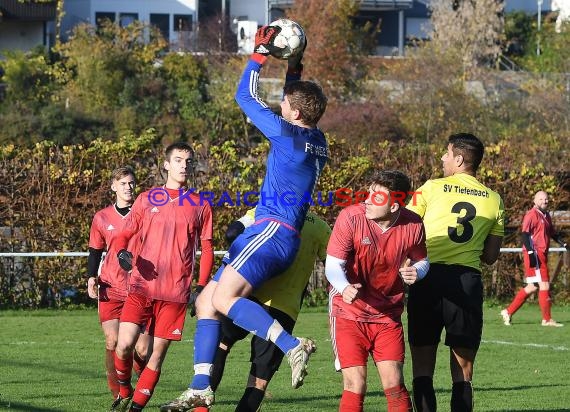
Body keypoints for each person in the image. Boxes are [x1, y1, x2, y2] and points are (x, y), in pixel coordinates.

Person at [160, 25, 328, 411]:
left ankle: (291, 344)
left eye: (285, 104)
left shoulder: (287, 135)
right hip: (281, 233)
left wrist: (259, 53)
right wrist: (294, 63)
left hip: (271, 230)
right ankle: (201, 386)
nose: (279, 106)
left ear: (296, 113)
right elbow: (296, 98)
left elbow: (244, 96)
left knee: (222, 296)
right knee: (206, 304)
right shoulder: (316, 139)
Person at [186, 208, 331, 412]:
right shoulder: (321, 228)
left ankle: (200, 408)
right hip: (284, 308)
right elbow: (333, 267)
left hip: (246, 297)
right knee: (258, 382)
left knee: (220, 346)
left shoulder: (265, 211)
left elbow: (232, 233)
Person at [108, 142, 214, 412]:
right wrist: (121, 251)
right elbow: (123, 233)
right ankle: (124, 389)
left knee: (152, 356)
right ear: (166, 164)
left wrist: (201, 287)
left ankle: (134, 410)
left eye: (188, 161)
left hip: (175, 295)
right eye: (178, 160)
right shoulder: (146, 198)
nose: (184, 166)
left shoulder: (200, 204)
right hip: (141, 287)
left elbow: (207, 247)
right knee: (124, 346)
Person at [406, 133, 504, 412]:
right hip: (466, 282)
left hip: (428, 279)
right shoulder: (494, 199)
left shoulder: (430, 187)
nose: (442, 158)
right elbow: (490, 257)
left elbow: (407, 232)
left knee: (422, 368)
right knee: (464, 371)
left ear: (459, 159)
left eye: (446, 154)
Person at [325, 170, 428, 412]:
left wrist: (418, 272)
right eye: (368, 194)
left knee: (394, 384)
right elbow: (332, 265)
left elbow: (422, 260)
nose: (368, 201)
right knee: (355, 384)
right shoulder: (350, 217)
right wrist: (344, 287)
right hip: (349, 312)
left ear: (394, 207)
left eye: (377, 197)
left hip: (388, 315)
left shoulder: (413, 224)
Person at [86, 166, 151, 399]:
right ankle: (119, 394)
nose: (128, 187)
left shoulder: (146, 214)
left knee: (142, 349)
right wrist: (91, 277)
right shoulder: (101, 217)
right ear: (113, 187)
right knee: (112, 340)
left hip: (141, 288)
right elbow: (95, 250)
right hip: (110, 286)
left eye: (131, 183)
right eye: (123, 183)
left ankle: (142, 387)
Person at [500, 191, 568, 327]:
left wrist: (564, 244)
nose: (545, 201)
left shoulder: (546, 215)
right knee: (544, 284)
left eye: (546, 199)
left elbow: (553, 234)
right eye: (541, 198)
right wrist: (531, 252)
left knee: (532, 287)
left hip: (541, 254)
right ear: (535, 201)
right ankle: (547, 319)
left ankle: (508, 311)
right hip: (535, 254)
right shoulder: (531, 214)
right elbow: (525, 235)